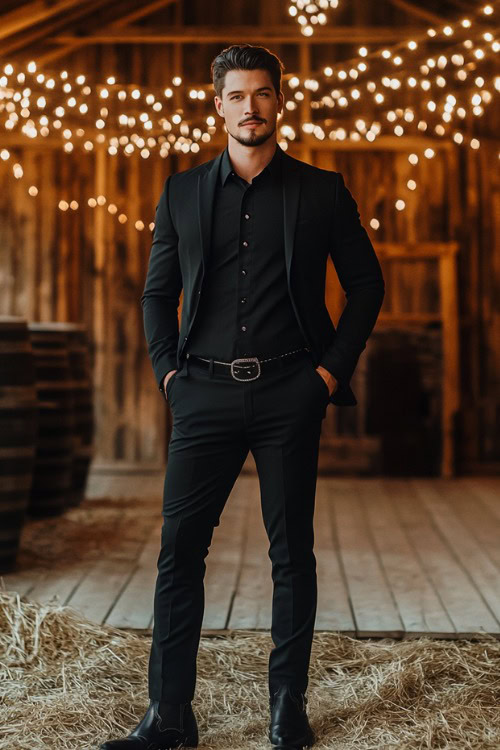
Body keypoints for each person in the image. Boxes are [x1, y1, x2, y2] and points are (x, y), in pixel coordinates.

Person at [100, 44, 385, 750]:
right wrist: (170, 374)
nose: (250, 106)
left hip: (293, 390)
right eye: (237, 95)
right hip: (201, 395)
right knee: (178, 554)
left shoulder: (322, 191)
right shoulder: (181, 193)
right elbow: (157, 293)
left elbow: (367, 287)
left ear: (278, 102)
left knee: (292, 555)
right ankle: (169, 716)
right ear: (218, 103)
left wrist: (326, 376)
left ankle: (287, 710)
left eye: (262, 94)